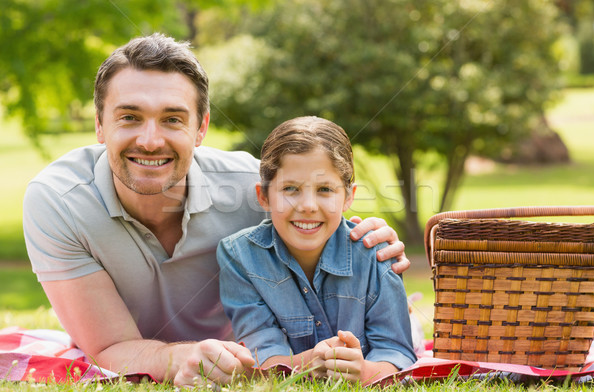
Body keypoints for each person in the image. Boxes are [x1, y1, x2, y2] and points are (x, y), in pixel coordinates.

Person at [22, 33, 410, 386]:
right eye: (130, 117)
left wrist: (364, 235)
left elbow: (315, 214)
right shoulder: (58, 202)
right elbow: (108, 347)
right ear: (100, 126)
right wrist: (180, 359)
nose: (151, 140)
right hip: (199, 358)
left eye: (173, 119)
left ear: (201, 127)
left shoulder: (249, 187)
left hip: (247, 357)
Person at [217, 116, 417, 385]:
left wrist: (365, 372)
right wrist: (312, 361)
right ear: (263, 195)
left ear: (348, 196)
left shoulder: (376, 253)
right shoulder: (239, 255)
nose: (308, 205)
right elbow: (262, 357)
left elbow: (398, 353)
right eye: (290, 189)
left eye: (325, 189)